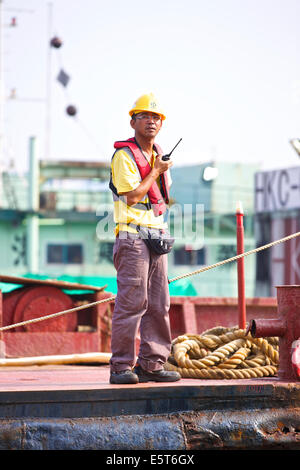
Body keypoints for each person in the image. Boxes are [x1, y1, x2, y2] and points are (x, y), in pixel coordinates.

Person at [109, 93, 181, 384]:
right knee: (131, 303)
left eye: (156, 118)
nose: (151, 121)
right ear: (133, 121)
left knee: (159, 304)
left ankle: (152, 364)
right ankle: (121, 368)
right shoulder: (124, 156)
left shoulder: (157, 157)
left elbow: (162, 199)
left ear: (161, 125)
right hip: (132, 238)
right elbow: (133, 197)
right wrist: (156, 171)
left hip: (156, 237)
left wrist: (158, 169)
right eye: (145, 116)